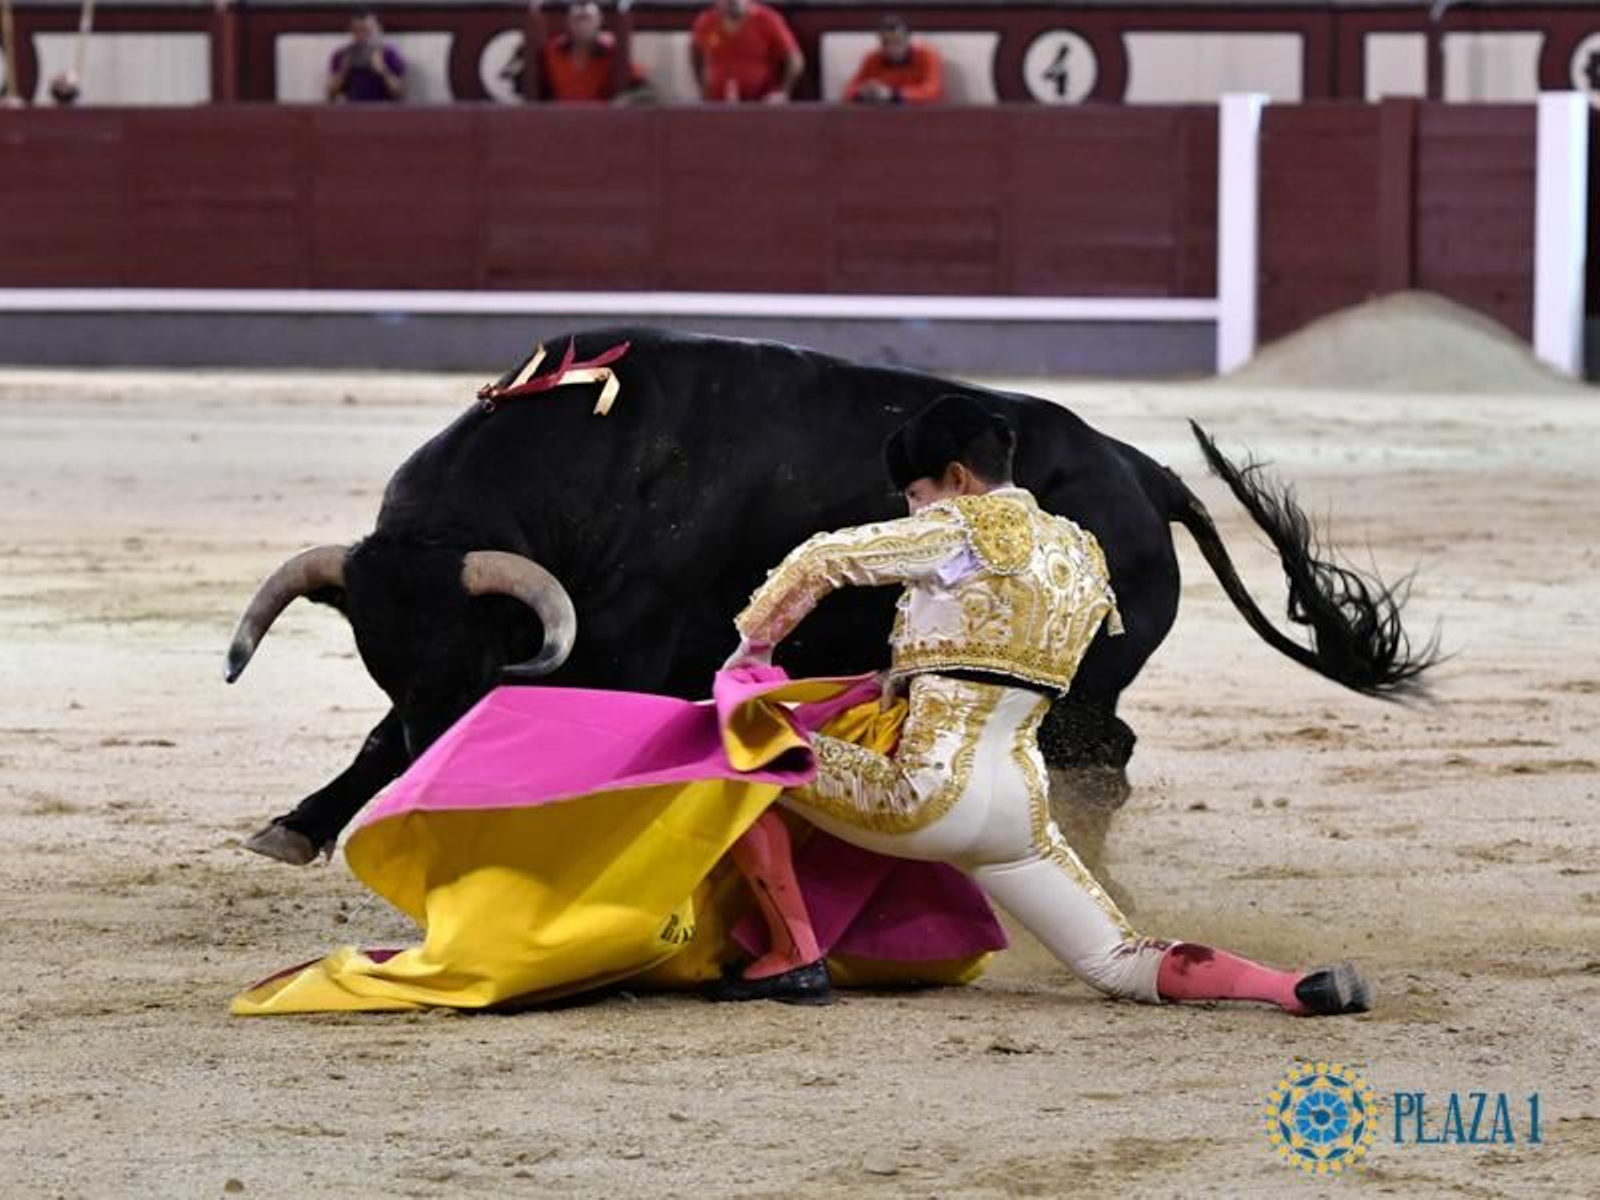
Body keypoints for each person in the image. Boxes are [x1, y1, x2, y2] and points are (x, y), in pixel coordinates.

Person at [715, 394, 1373, 1016]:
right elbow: (996, 649)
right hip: (1019, 811)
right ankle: (1287, 987)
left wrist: (753, 654)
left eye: (917, 495)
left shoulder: (960, 527)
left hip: (924, 794)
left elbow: (823, 558)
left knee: (740, 748)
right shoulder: (1078, 552)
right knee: (1119, 961)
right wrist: (908, 674)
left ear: (956, 477)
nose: (916, 511)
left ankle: (791, 954)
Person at [502, 0, 650, 104]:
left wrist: (622, 104)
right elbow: (517, 79)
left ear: (599, 21)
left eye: (587, 18)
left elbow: (643, 88)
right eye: (578, 19)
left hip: (602, 126)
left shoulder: (613, 54)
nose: (583, 25)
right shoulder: (550, 51)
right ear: (568, 21)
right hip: (558, 125)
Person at [690, 0, 802, 104]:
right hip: (717, 104)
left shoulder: (767, 19)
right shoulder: (706, 22)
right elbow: (696, 54)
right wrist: (702, 89)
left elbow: (795, 60)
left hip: (761, 104)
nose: (732, 2)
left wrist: (783, 93)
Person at [843, 14, 943, 105]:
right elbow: (848, 92)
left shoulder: (927, 56)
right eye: (886, 42)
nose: (892, 47)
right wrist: (862, 93)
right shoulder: (872, 59)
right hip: (881, 116)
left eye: (897, 41)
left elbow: (933, 92)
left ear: (908, 39)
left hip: (918, 116)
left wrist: (894, 94)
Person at [326, 9, 405, 103]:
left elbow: (399, 93)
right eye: (356, 30)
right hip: (352, 109)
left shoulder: (389, 53)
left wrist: (383, 70)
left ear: (378, 29)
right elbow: (330, 93)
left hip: (383, 110)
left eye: (366, 30)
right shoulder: (342, 54)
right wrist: (343, 71)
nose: (361, 35)